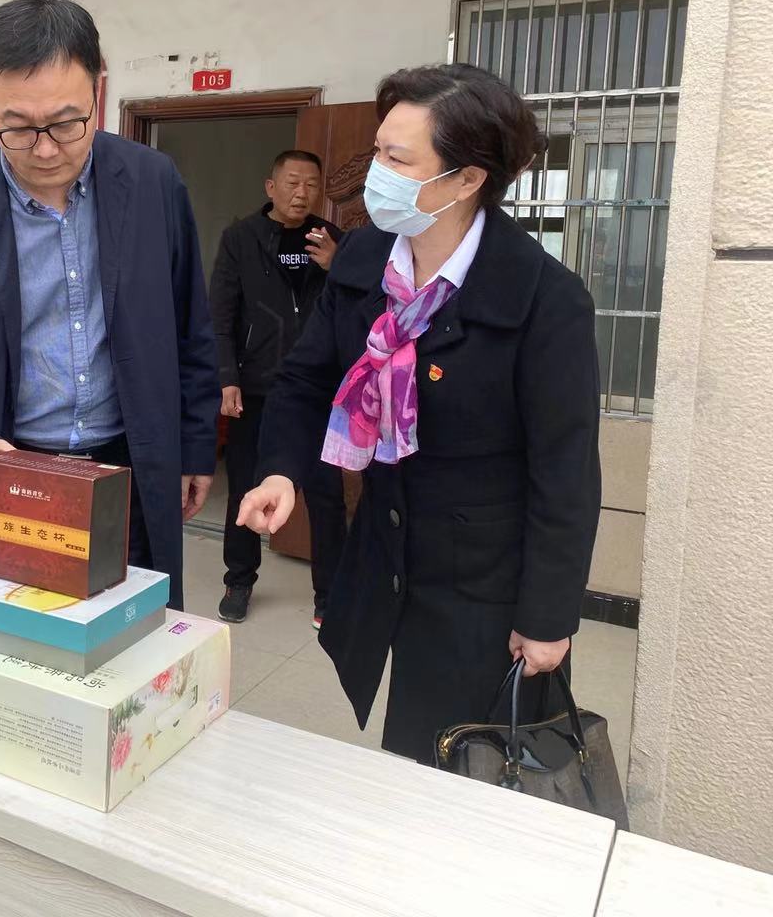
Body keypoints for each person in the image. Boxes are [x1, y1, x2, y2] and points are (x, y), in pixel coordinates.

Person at [238, 63, 600, 764]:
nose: (377, 173)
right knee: (408, 748)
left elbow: (566, 471)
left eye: (398, 160)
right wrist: (281, 471)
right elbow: (306, 380)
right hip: (386, 552)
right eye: (378, 151)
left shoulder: (542, 299)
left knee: (467, 760)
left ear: (467, 179)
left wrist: (547, 616)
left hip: (483, 581)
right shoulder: (364, 258)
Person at [0, 0, 219, 610]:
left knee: (128, 634)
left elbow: (190, 326)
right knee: (2, 644)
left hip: (128, 470)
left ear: (98, 92)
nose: (44, 149)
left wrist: (194, 447)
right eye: (16, 127)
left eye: (66, 123)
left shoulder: (152, 183)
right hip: (1, 477)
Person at [210, 149, 346, 627]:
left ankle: (330, 594)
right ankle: (239, 580)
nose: (301, 193)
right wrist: (227, 377)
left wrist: (337, 266)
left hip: (320, 391)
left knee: (327, 496)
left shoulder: (333, 240)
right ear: (271, 187)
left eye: (311, 184)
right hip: (257, 388)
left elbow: (362, 305)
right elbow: (220, 315)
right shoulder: (241, 239)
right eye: (292, 182)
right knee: (246, 488)